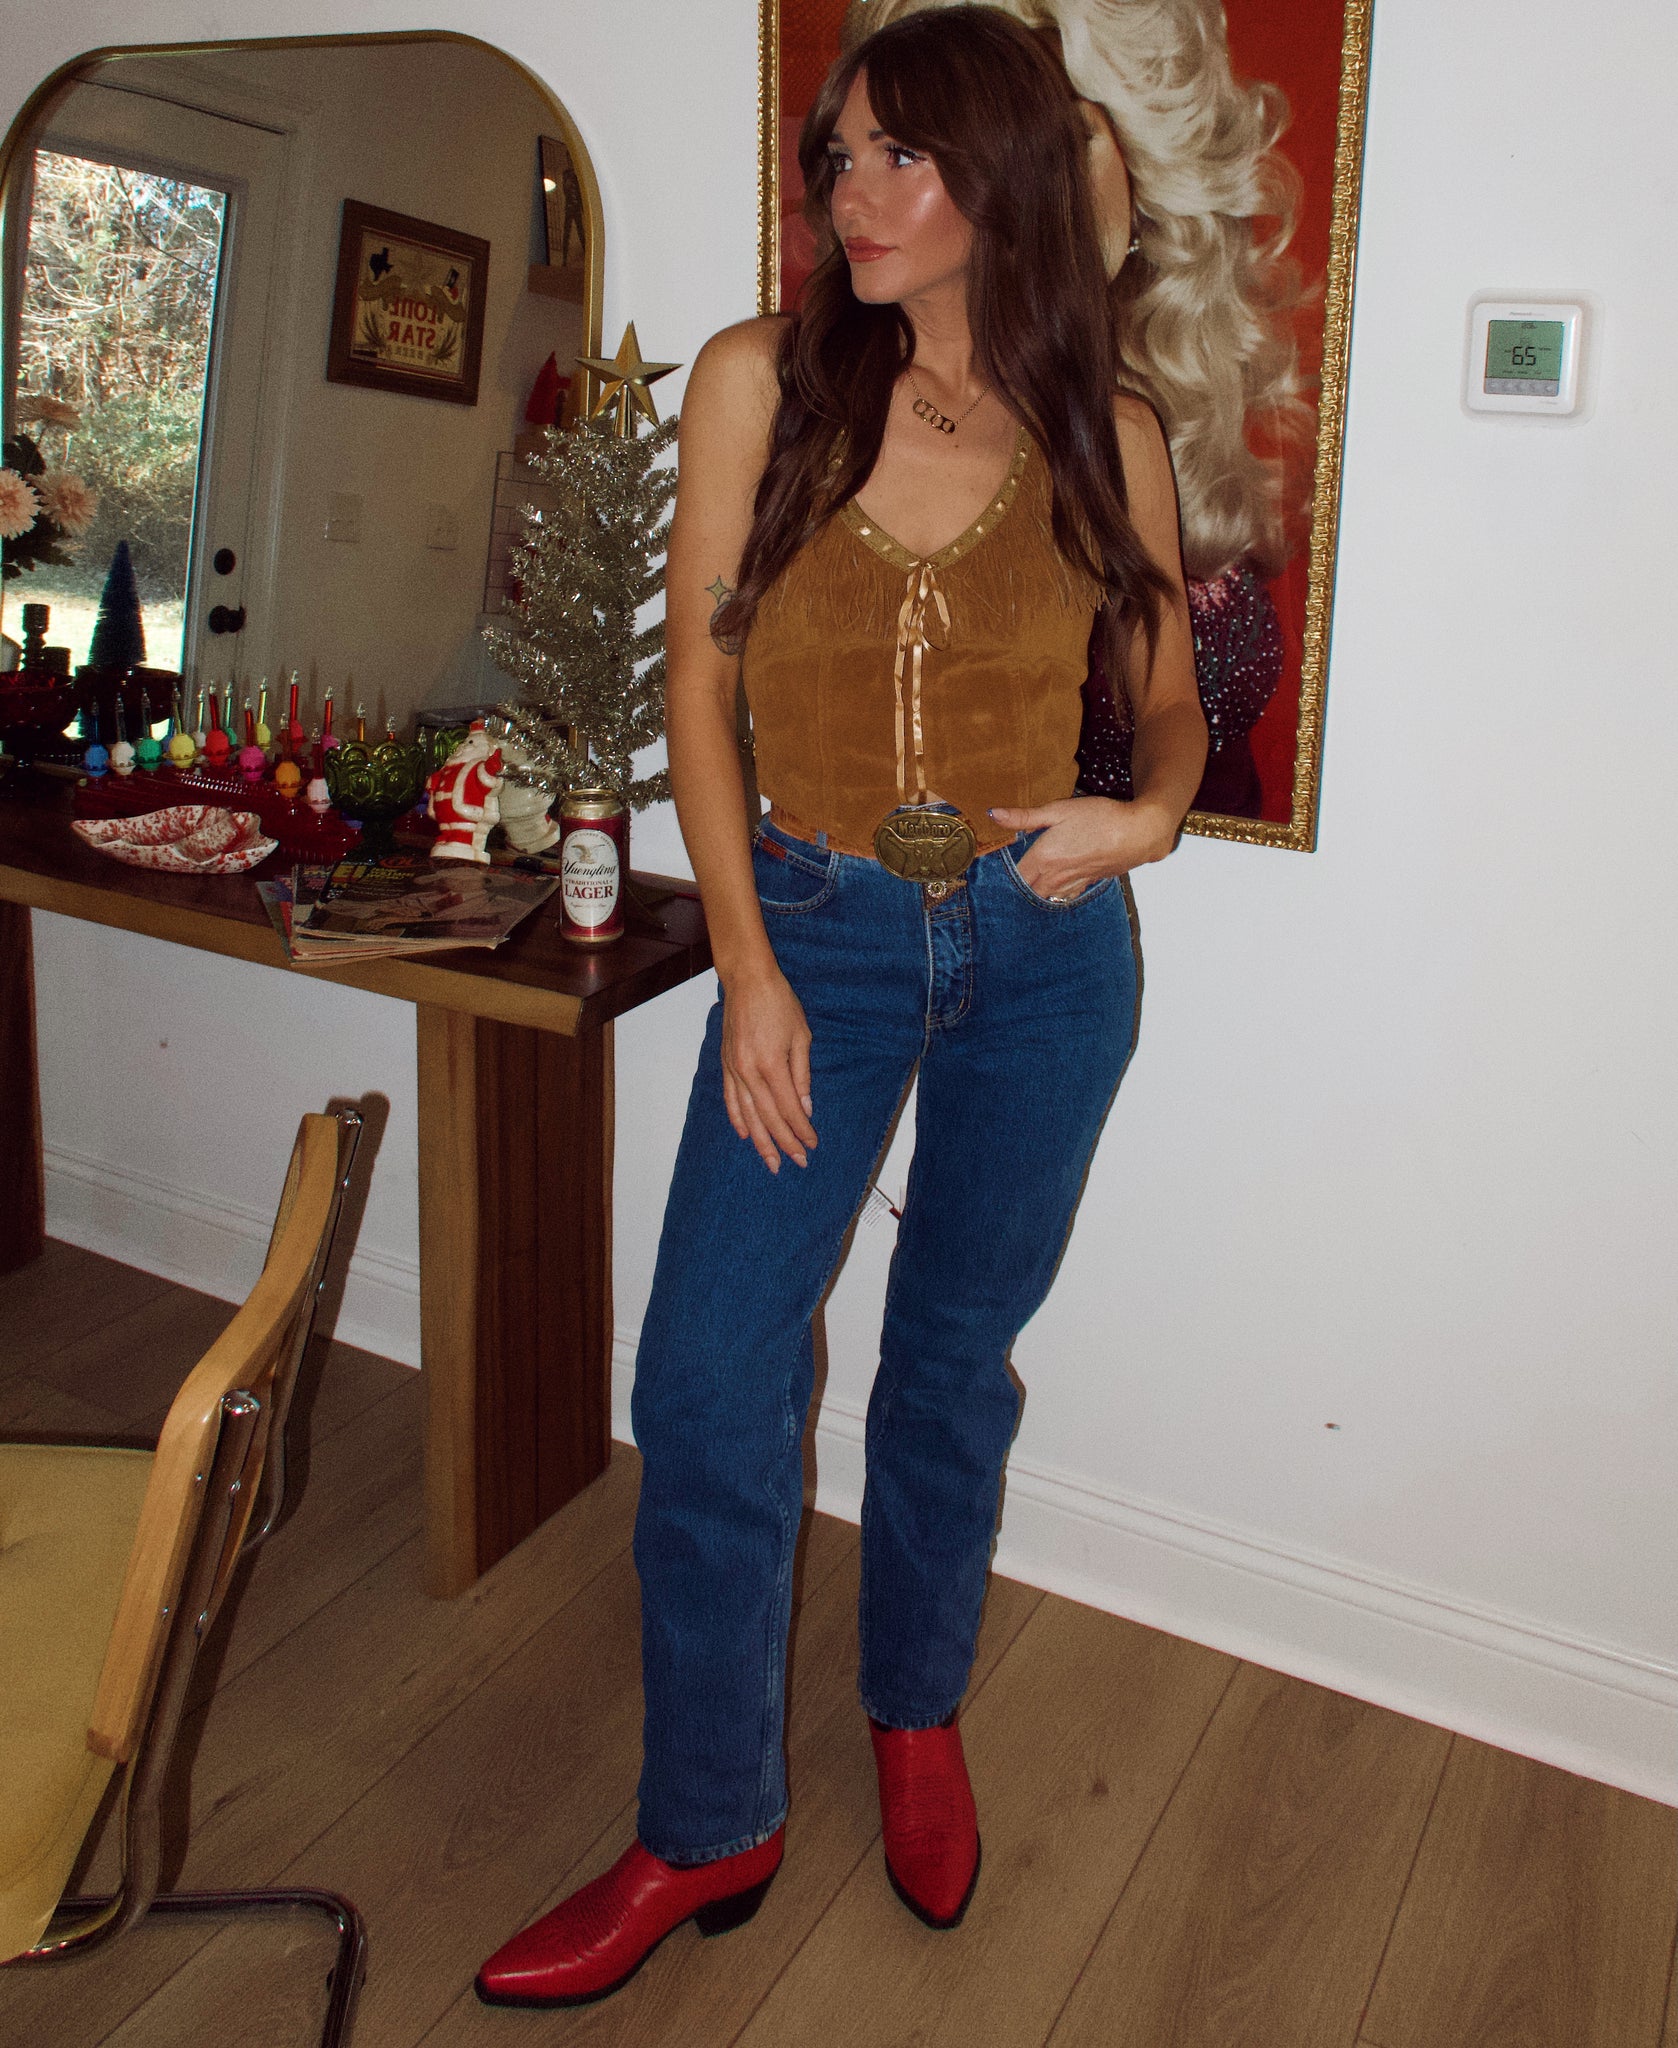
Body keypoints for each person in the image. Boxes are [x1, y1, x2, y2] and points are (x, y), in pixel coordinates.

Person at [473, 7, 1206, 2010]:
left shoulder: (1103, 425)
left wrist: (1144, 812)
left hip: (1040, 948)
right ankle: (708, 1818)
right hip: (816, 929)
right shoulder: (762, 382)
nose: (851, 197)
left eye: (902, 156)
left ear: (1004, 177)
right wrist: (748, 969)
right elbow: (697, 689)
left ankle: (912, 1709)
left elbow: (1161, 695)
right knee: (709, 1376)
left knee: (949, 1362)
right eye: (838, 156)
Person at [845, 0, 1315, 818]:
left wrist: (1153, 822)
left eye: (1058, 139)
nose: (1017, 187)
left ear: (1141, 158)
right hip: (982, 880)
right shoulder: (856, 408)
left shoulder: (1158, 415)